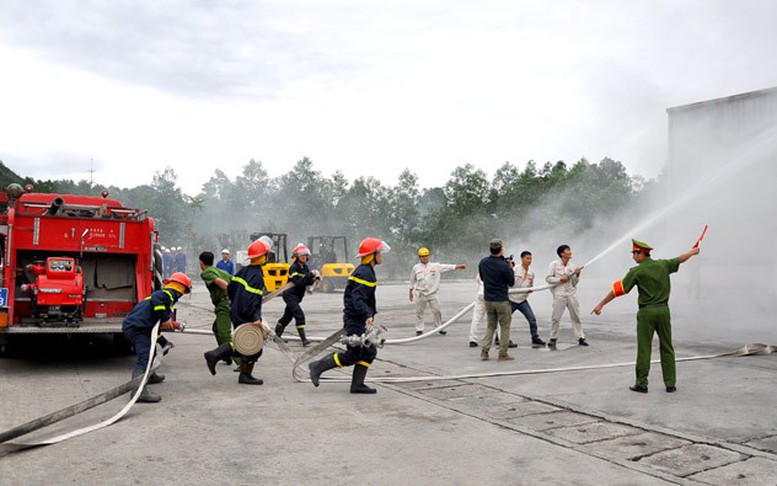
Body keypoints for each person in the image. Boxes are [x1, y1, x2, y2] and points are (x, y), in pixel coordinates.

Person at [592, 239, 700, 393]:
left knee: (644, 348)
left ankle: (641, 384)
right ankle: (670, 384)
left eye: (634, 254)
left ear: (641, 253)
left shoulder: (637, 271)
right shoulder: (663, 265)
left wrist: (601, 304)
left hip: (646, 313)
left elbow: (618, 290)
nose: (633, 257)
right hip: (664, 311)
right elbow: (680, 259)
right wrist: (692, 252)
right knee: (667, 346)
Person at [308, 237, 390, 394]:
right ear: (372, 255)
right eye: (379, 253)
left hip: (357, 319)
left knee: (369, 351)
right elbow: (357, 297)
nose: (381, 256)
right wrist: (367, 314)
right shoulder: (365, 273)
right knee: (353, 354)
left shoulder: (366, 271)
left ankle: (357, 384)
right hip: (355, 320)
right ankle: (317, 366)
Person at [203, 239, 273, 385]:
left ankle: (217, 355)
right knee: (253, 345)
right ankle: (242, 374)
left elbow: (231, 288)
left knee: (245, 342)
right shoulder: (257, 276)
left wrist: (235, 304)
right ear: (262, 257)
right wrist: (255, 317)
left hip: (236, 311)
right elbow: (251, 299)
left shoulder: (244, 270)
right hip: (246, 313)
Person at [122, 272, 189, 403]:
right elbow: (156, 300)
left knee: (151, 353)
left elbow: (154, 327)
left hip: (143, 328)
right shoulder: (164, 295)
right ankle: (139, 392)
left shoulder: (165, 300)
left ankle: (150, 376)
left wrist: (163, 342)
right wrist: (165, 318)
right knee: (145, 357)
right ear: (180, 290)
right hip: (137, 329)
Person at [409, 247, 467, 336]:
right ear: (419, 257)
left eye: (426, 256)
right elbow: (412, 280)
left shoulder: (435, 266)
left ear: (429, 256)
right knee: (419, 312)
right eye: (422, 256)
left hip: (432, 294)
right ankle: (419, 329)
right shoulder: (416, 268)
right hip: (420, 294)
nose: (424, 258)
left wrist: (458, 266)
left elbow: (447, 266)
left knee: (437, 311)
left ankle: (439, 327)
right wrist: (410, 291)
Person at [478, 239, 515, 361]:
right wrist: (510, 268)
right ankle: (503, 353)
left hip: (488, 299)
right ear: (501, 249)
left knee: (490, 326)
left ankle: (484, 351)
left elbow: (483, 278)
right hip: (501, 300)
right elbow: (511, 282)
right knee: (504, 327)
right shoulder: (504, 265)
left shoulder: (483, 262)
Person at [275, 243, 320, 346]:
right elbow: (298, 282)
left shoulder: (305, 268)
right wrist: (309, 275)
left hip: (298, 296)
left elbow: (306, 282)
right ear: (297, 256)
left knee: (287, 317)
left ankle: (277, 337)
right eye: (302, 255)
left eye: (305, 255)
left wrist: (314, 279)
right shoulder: (293, 268)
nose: (304, 257)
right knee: (299, 315)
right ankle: (304, 340)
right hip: (290, 295)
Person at [546, 244, 588, 347]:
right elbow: (548, 279)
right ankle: (553, 338)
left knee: (576, 316)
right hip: (559, 294)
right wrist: (560, 279)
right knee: (556, 317)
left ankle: (580, 337)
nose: (570, 252)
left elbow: (574, 283)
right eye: (568, 250)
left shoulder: (572, 266)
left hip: (571, 293)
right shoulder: (554, 264)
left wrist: (577, 275)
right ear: (562, 253)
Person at [199, 251, 234, 365]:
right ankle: (225, 355)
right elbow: (234, 281)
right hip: (228, 303)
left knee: (224, 332)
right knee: (216, 328)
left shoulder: (207, 272)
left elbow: (219, 282)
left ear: (201, 262)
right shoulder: (221, 271)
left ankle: (240, 360)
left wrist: (232, 293)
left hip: (224, 304)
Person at [510, 251, 545, 347]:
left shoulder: (531, 273)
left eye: (530, 259)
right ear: (522, 259)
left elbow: (531, 285)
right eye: (527, 258)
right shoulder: (514, 269)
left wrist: (530, 290)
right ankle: (499, 337)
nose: (529, 261)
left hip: (522, 300)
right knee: (505, 320)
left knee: (532, 319)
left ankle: (535, 337)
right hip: (511, 299)